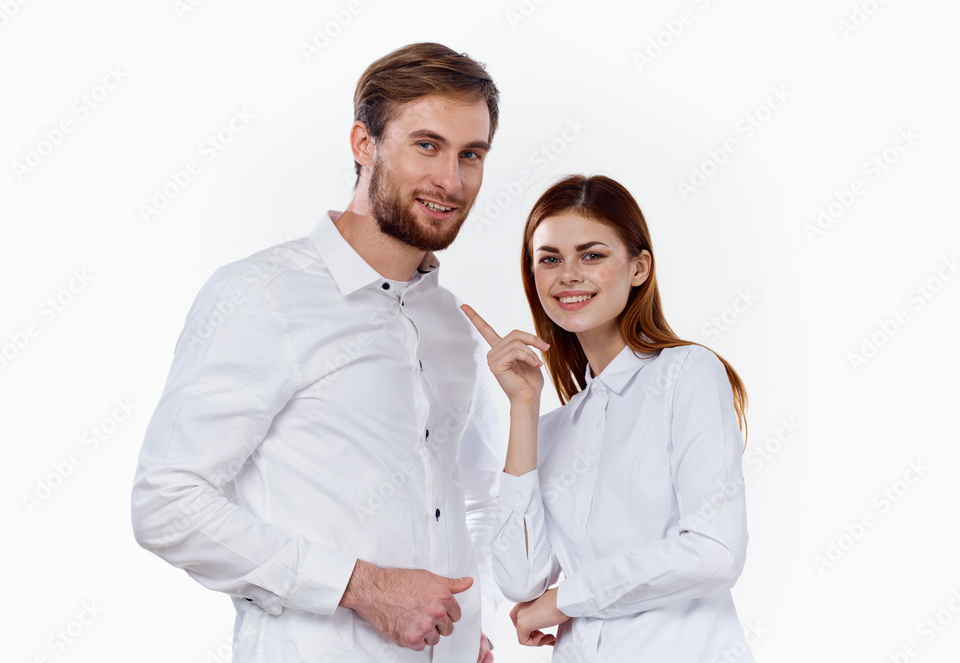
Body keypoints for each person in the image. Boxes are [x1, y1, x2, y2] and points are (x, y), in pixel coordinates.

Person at [131, 42, 504, 662]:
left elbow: (476, 499)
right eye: (427, 145)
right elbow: (166, 502)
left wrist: (468, 625)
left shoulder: (450, 323)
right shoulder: (263, 296)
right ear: (364, 144)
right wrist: (361, 587)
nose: (452, 180)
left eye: (472, 154)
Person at [462, 174, 754, 662]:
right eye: (549, 259)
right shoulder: (552, 429)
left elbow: (714, 551)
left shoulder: (686, 373)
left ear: (639, 268)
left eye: (592, 255)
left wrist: (566, 600)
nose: (568, 275)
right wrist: (523, 408)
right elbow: (520, 579)